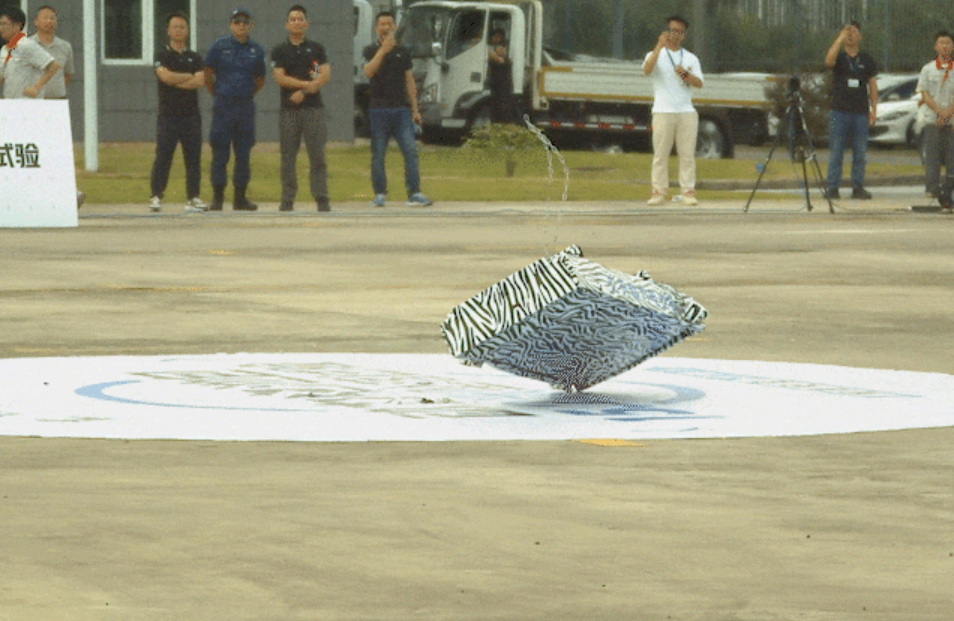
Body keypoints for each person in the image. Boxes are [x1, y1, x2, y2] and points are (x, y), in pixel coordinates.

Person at [362, 11, 432, 208]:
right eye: (382, 24)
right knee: (378, 153)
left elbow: (409, 81)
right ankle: (380, 194)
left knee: (410, 150)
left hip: (401, 110)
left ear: (394, 27)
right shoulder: (369, 50)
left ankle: (414, 193)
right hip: (378, 110)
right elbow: (368, 71)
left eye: (389, 24)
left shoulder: (403, 52)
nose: (386, 27)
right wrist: (383, 50)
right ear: (377, 28)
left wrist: (415, 109)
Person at [204, 8, 266, 211]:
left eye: (244, 21)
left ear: (250, 25)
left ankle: (240, 198)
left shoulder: (256, 50)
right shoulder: (219, 47)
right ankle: (217, 198)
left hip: (245, 106)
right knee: (220, 151)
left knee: (243, 153)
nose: (240, 24)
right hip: (224, 105)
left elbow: (260, 79)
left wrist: (244, 93)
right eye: (236, 21)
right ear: (231, 25)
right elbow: (208, 74)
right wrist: (220, 93)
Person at [271, 5, 331, 213]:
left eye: (300, 19)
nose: (296, 22)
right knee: (288, 156)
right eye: (292, 19)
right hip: (289, 110)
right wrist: (306, 86)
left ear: (306, 23)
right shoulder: (280, 50)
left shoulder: (316, 49)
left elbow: (323, 75)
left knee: (317, 156)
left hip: (314, 110)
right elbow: (280, 78)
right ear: (287, 24)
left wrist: (305, 92)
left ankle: (322, 197)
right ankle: (287, 199)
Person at [148, 12, 207, 214]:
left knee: (193, 158)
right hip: (168, 115)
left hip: (191, 116)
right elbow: (165, 77)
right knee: (163, 156)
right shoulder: (161, 56)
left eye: (182, 27)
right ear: (168, 30)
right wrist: (187, 76)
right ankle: (156, 196)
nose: (178, 30)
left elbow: (200, 81)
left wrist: (177, 79)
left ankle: (193, 198)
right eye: (175, 27)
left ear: (187, 30)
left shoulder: (195, 57)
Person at [642, 15, 703, 207]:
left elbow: (699, 82)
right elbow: (647, 69)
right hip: (663, 110)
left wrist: (685, 75)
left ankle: (688, 191)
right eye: (673, 31)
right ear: (666, 32)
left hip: (685, 110)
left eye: (680, 32)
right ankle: (658, 191)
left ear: (684, 35)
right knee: (661, 154)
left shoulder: (690, 57)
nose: (676, 35)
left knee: (687, 154)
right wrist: (659, 47)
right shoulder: (656, 54)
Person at [824, 21, 878, 200]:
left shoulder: (866, 59)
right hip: (839, 111)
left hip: (860, 112)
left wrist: (874, 109)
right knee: (836, 150)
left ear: (860, 36)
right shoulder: (839, 57)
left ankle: (858, 187)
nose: (850, 35)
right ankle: (832, 187)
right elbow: (828, 61)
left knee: (860, 152)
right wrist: (839, 39)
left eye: (853, 32)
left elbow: (872, 85)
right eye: (847, 32)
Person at [917, 31, 954, 212]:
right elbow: (924, 93)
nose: (945, 46)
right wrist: (939, 112)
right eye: (941, 42)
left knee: (951, 158)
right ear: (935, 46)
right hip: (933, 120)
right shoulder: (928, 69)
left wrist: (947, 114)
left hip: (951, 122)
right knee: (932, 158)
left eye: (948, 42)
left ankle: (950, 191)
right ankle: (932, 189)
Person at [0, 6, 59, 99]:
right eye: (0, 24)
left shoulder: (27, 45)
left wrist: (36, 87)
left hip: (28, 103)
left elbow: (53, 66)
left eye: (4, 24)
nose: (1, 28)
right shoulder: (5, 49)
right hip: (10, 103)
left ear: (17, 25)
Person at [29, 5, 73, 100]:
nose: (49, 21)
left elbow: (67, 73)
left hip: (57, 100)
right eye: (45, 18)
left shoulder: (65, 46)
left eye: (52, 18)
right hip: (33, 100)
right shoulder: (26, 46)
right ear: (36, 22)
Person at [487, 27, 517, 124]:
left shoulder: (503, 54)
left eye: (499, 37)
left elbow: (499, 59)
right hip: (495, 86)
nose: (497, 39)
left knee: (503, 111)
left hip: (504, 87)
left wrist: (485, 48)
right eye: (495, 36)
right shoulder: (492, 48)